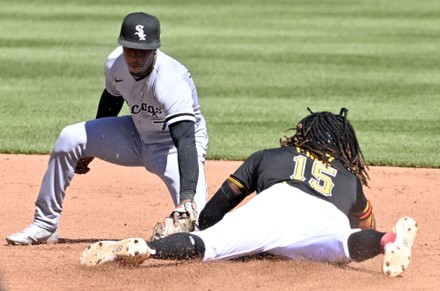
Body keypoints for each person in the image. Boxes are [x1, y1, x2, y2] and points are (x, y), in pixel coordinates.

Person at [79, 108, 418, 278]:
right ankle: (388, 241)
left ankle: (148, 249)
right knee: (345, 245)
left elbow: (218, 207)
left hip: (274, 205)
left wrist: (202, 227)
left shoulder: (270, 157)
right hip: (326, 219)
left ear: (305, 133)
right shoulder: (348, 180)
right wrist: (371, 229)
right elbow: (362, 220)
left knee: (209, 245)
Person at [6, 12, 209, 245]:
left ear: (155, 49)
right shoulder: (115, 63)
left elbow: (185, 139)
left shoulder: (172, 81)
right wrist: (91, 148)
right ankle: (44, 225)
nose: (135, 57)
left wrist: (186, 199)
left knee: (199, 227)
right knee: (70, 137)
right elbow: (112, 100)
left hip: (172, 147)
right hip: (136, 134)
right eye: (130, 49)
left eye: (142, 51)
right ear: (122, 45)